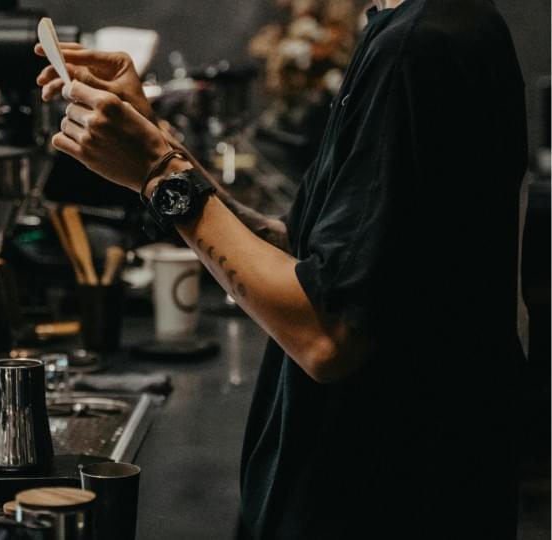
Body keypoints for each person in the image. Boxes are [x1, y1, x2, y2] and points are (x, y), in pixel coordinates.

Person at [35, 0, 528, 537]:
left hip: (386, 503)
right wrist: (156, 142)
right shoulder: (421, 28)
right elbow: (300, 249)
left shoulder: (418, 45)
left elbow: (326, 333)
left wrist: (159, 176)